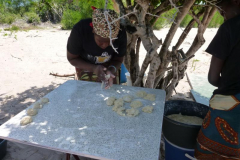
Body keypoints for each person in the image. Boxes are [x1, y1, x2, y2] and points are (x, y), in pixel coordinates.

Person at [194, 0, 240, 159]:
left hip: (231, 105)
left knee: (209, 151)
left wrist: (228, 85)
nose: (221, 13)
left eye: (222, 9)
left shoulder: (230, 28)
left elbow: (213, 78)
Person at [67, 7, 127, 89]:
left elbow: (118, 60)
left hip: (110, 65)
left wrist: (111, 70)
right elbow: (72, 58)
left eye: (110, 42)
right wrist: (93, 68)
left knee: (111, 92)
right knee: (87, 92)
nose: (105, 45)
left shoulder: (120, 33)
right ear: (93, 31)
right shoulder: (80, 31)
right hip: (85, 64)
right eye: (101, 41)